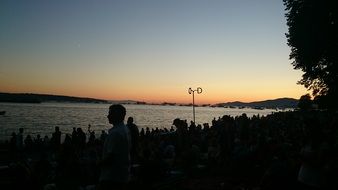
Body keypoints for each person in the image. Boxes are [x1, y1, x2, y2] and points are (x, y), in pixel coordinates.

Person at [98, 104, 131, 190]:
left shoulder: (115, 133)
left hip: (112, 177)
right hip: (122, 175)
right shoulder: (125, 129)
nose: (108, 116)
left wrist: (97, 164)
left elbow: (111, 157)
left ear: (117, 115)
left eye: (110, 113)